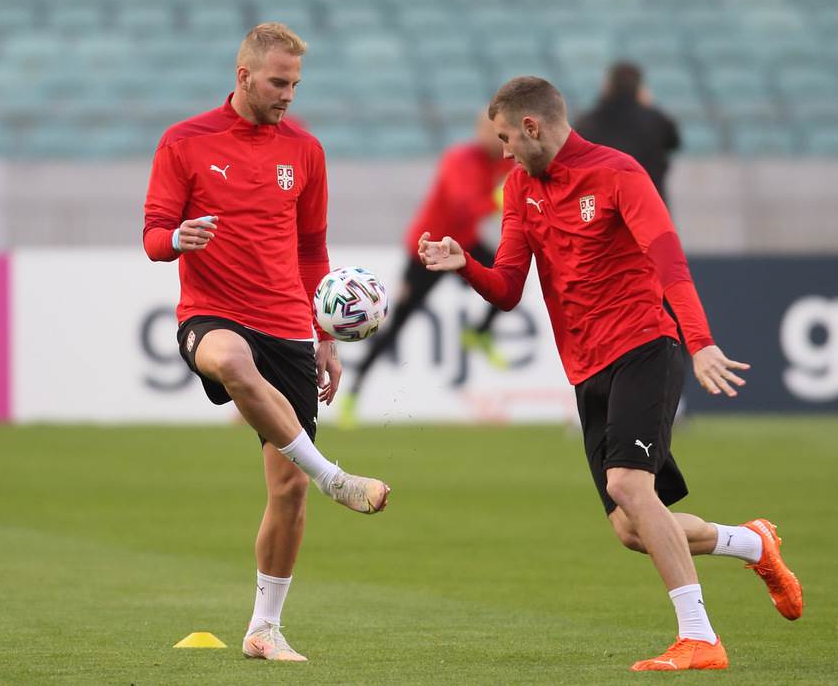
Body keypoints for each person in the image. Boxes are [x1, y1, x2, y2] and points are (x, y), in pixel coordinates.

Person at [419, 77, 802, 672]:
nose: (501, 154)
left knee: (629, 486)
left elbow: (668, 258)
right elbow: (508, 289)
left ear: (531, 127)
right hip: (587, 367)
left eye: (504, 139)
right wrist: (464, 262)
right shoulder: (520, 187)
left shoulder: (618, 172)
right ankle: (753, 543)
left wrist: (699, 342)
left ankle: (700, 637)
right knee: (630, 527)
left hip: (645, 346)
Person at [142, 22, 390, 663]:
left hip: (287, 323)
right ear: (244, 75)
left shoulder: (305, 150)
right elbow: (153, 236)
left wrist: (324, 335)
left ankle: (264, 628)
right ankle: (336, 477)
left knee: (287, 491)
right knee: (229, 359)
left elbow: (312, 248)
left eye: (296, 84)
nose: (288, 95)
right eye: (279, 82)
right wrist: (178, 240)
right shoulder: (184, 141)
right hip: (212, 312)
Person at [338, 112, 513, 427]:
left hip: (463, 246)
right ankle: (354, 390)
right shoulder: (460, 159)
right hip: (428, 249)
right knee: (395, 325)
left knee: (509, 278)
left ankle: (479, 333)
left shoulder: (504, 160)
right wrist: (498, 200)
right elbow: (464, 204)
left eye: (502, 132)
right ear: (478, 131)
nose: (498, 139)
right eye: (491, 131)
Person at [575, 62, 680, 204]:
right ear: (639, 89)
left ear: (608, 86)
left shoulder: (588, 122)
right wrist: (649, 105)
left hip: (603, 212)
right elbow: (674, 142)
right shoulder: (656, 120)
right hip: (649, 208)